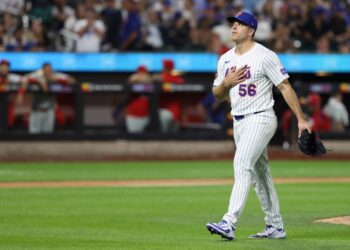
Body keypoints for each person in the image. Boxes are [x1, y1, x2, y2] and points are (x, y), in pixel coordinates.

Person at [206, 12, 311, 240]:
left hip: (261, 117)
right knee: (259, 174)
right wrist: (226, 83)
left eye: (240, 24)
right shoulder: (225, 59)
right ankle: (275, 225)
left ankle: (229, 222)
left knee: (242, 163)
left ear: (251, 30)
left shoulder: (265, 56)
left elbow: (285, 87)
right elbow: (217, 95)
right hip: (239, 121)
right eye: (232, 24)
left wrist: (301, 119)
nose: (234, 27)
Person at [16, 62, 75, 134]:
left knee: (48, 136)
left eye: (49, 70)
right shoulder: (38, 75)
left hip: (49, 111)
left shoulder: (55, 76)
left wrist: (57, 80)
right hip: (36, 110)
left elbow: (72, 80)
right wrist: (38, 81)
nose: (48, 72)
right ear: (43, 71)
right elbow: (23, 79)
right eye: (46, 70)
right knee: (34, 135)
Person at [125, 65, 152, 133]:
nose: (142, 75)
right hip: (134, 116)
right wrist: (136, 79)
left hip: (148, 116)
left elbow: (148, 80)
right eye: (140, 73)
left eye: (143, 73)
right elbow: (131, 80)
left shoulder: (150, 82)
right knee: (134, 138)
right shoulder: (132, 80)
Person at [0, 59, 22, 128]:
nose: (5, 68)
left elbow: (24, 80)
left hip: (6, 103)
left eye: (7, 66)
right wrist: (4, 81)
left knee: (6, 123)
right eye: (3, 66)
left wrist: (20, 94)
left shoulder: (11, 77)